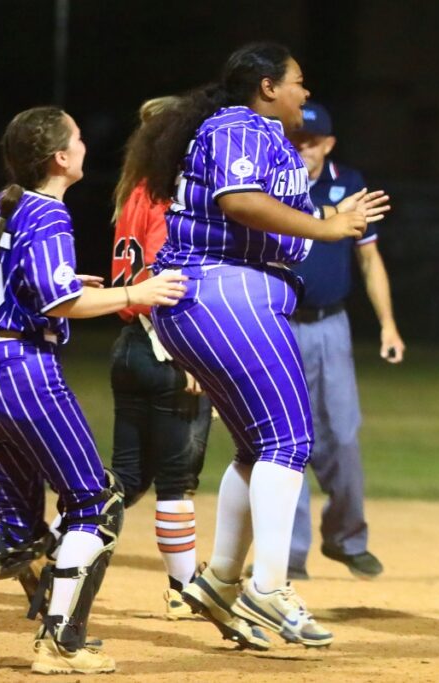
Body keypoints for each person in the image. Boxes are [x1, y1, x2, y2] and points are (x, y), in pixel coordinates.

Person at [132, 42, 389, 650]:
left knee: (257, 445)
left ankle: (221, 580)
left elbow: (257, 204)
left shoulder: (242, 128)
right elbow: (240, 203)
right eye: (298, 81)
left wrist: (330, 214)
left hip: (217, 296)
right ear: (268, 87)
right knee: (290, 440)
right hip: (229, 294)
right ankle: (269, 586)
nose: (305, 92)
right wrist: (329, 227)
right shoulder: (244, 125)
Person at [0, 106, 187, 674]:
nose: (87, 145)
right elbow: (57, 302)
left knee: (20, 535)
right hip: (24, 374)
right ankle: (60, 642)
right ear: (60, 158)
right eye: (80, 138)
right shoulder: (47, 213)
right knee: (97, 500)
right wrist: (138, 290)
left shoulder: (1, 206)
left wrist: (71, 285)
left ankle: (57, 633)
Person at [285, 102, 404, 580]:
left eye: (311, 141)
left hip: (331, 326)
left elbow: (369, 260)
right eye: (295, 139)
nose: (303, 148)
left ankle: (346, 539)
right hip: (280, 324)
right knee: (287, 440)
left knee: (343, 436)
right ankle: (289, 558)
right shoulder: (277, 187)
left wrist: (388, 324)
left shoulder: (349, 183)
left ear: (328, 144)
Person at [108, 95, 214, 618]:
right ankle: (183, 591)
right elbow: (161, 282)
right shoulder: (171, 201)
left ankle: (58, 550)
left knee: (123, 482)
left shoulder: (131, 194)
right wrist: (189, 355)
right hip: (165, 348)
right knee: (176, 485)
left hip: (126, 348)